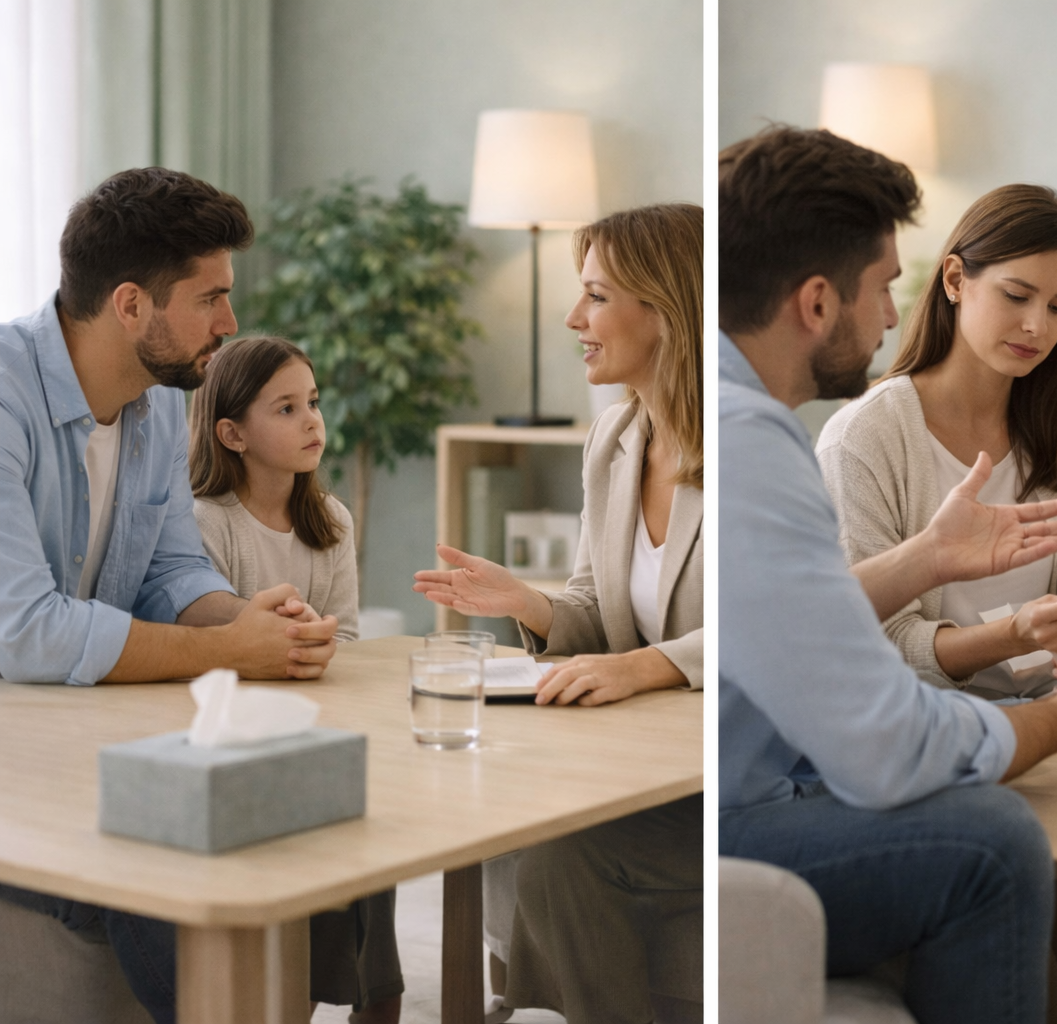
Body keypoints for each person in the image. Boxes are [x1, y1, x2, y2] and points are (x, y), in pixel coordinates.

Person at [719, 124, 1057, 1024]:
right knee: (990, 840)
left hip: (819, 762)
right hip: (785, 789)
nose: (889, 313)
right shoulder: (801, 439)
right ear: (813, 302)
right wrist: (1055, 711)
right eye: (883, 286)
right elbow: (878, 725)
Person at [0, 167, 339, 1024]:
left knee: (300, 819)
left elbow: (170, 573)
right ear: (129, 305)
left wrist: (259, 622)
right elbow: (25, 633)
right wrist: (228, 650)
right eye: (211, 299)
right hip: (18, 772)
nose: (230, 325)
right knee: (172, 862)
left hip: (78, 742)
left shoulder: (152, 407)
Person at [413, 202, 703, 1023]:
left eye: (597, 297)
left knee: (554, 851)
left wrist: (646, 667)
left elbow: (775, 629)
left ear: (664, 309)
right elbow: (598, 611)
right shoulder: (612, 441)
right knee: (500, 803)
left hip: (728, 774)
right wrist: (531, 605)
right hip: (642, 763)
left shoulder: (746, 447)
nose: (574, 319)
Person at [188, 335, 400, 1022]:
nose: (313, 421)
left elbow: (349, 642)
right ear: (232, 433)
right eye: (285, 408)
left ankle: (376, 991)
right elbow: (208, 645)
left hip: (318, 731)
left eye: (312, 402)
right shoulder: (205, 522)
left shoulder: (330, 523)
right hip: (241, 745)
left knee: (372, 849)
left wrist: (319, 645)